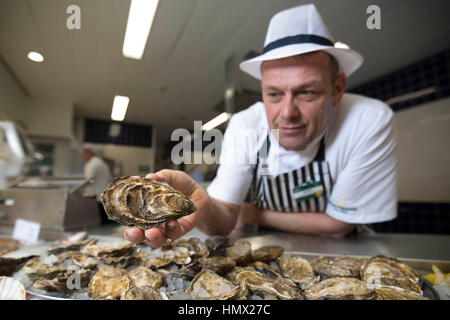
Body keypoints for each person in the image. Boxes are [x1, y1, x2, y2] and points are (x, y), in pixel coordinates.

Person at [124, 4, 398, 247]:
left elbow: (339, 225)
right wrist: (202, 202)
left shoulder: (368, 120)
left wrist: (253, 213)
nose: (288, 113)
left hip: (344, 252)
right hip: (263, 248)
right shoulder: (246, 125)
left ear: (337, 89)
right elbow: (223, 222)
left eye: (307, 93)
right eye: (274, 94)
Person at [81, 143, 113, 224]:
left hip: (96, 198)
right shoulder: (101, 163)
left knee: (99, 223)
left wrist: (79, 189)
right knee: (106, 222)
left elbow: (89, 181)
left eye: (84, 152)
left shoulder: (91, 164)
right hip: (105, 197)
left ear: (90, 152)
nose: (82, 155)